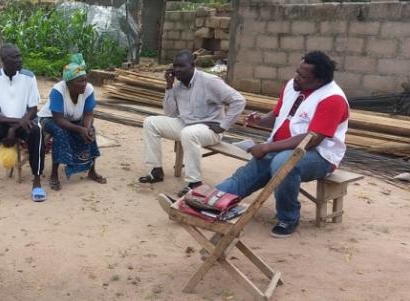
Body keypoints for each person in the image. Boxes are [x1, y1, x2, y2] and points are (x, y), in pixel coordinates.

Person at [216, 51, 349, 238]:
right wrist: (260, 121)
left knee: (282, 163)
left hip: (320, 156)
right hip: (280, 147)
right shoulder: (292, 86)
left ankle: (288, 217)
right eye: (297, 72)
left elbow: (312, 139)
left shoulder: (332, 98)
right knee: (244, 177)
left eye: (303, 76)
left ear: (318, 80)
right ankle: (210, 200)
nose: (297, 77)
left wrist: (266, 147)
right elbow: (279, 116)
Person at [138, 50, 246, 196]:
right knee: (150, 122)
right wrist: (169, 86)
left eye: (181, 66)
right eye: (175, 66)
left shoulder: (210, 81)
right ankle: (156, 170)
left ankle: (194, 183)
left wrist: (223, 125)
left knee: (188, 133)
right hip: (186, 124)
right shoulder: (178, 86)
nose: (177, 70)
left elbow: (239, 100)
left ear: (192, 65)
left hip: (210, 129)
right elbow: (170, 114)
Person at [0, 43, 45, 204]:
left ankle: (37, 182)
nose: (20, 60)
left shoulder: (29, 77)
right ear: (4, 61)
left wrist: (18, 125)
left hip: (25, 120)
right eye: (15, 57)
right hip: (2, 122)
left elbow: (33, 109)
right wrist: (13, 126)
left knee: (37, 132)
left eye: (20, 56)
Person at [38, 53, 106, 191]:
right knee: (59, 132)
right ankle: (54, 175)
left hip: (74, 119)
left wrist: (86, 128)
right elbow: (58, 120)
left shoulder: (88, 89)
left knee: (91, 130)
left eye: (85, 79)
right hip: (49, 119)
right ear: (68, 83)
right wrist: (80, 129)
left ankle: (92, 171)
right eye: (80, 81)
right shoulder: (58, 90)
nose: (84, 83)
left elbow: (88, 114)